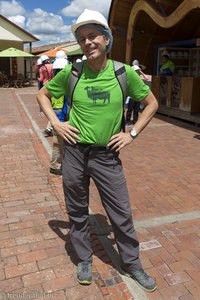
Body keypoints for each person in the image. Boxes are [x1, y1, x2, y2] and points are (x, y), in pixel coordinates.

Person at [36, 8, 158, 292]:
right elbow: (42, 94)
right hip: (76, 153)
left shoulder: (123, 73)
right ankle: (83, 259)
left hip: (107, 156)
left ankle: (131, 262)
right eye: (82, 39)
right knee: (77, 211)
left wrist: (132, 133)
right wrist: (56, 123)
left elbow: (151, 103)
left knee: (121, 212)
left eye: (93, 37)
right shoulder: (72, 72)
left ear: (106, 39)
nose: (87, 43)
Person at [49, 52, 68, 175]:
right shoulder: (64, 82)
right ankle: (55, 166)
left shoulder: (52, 81)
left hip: (55, 111)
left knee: (58, 143)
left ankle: (57, 164)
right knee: (58, 143)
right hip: (60, 114)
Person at [38, 55, 54, 137]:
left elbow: (41, 79)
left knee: (46, 102)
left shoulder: (42, 68)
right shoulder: (52, 66)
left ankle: (45, 112)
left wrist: (38, 79)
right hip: (52, 85)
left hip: (45, 86)